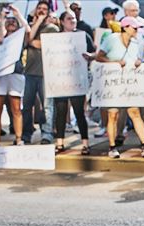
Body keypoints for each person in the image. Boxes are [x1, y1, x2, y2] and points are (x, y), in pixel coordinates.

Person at [95, 17, 144, 158]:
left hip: (129, 84)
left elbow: (135, 59)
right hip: (113, 83)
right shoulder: (111, 39)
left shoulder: (136, 43)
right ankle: (112, 147)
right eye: (135, 28)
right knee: (113, 115)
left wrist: (138, 62)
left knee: (135, 112)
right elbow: (99, 57)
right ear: (126, 27)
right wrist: (114, 63)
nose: (137, 31)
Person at [52, 10, 96, 155]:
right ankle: (60, 143)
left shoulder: (83, 36)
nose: (73, 21)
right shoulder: (55, 38)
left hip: (77, 79)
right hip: (60, 80)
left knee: (79, 113)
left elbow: (94, 53)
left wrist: (90, 56)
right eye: (69, 18)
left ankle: (85, 143)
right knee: (61, 112)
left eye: (74, 19)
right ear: (62, 21)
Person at [0, 8, 27, 146]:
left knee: (16, 108)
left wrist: (18, 14)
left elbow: (27, 30)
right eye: (8, 22)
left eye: (13, 22)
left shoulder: (20, 38)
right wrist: (2, 19)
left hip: (15, 73)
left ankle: (18, 138)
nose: (11, 23)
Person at [23, 1, 59, 144]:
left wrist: (32, 41)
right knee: (26, 105)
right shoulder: (30, 27)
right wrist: (36, 23)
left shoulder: (52, 28)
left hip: (46, 73)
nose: (42, 11)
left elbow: (45, 45)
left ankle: (47, 133)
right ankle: (26, 134)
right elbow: (27, 41)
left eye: (45, 9)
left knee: (47, 106)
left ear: (49, 12)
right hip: (30, 72)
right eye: (40, 8)